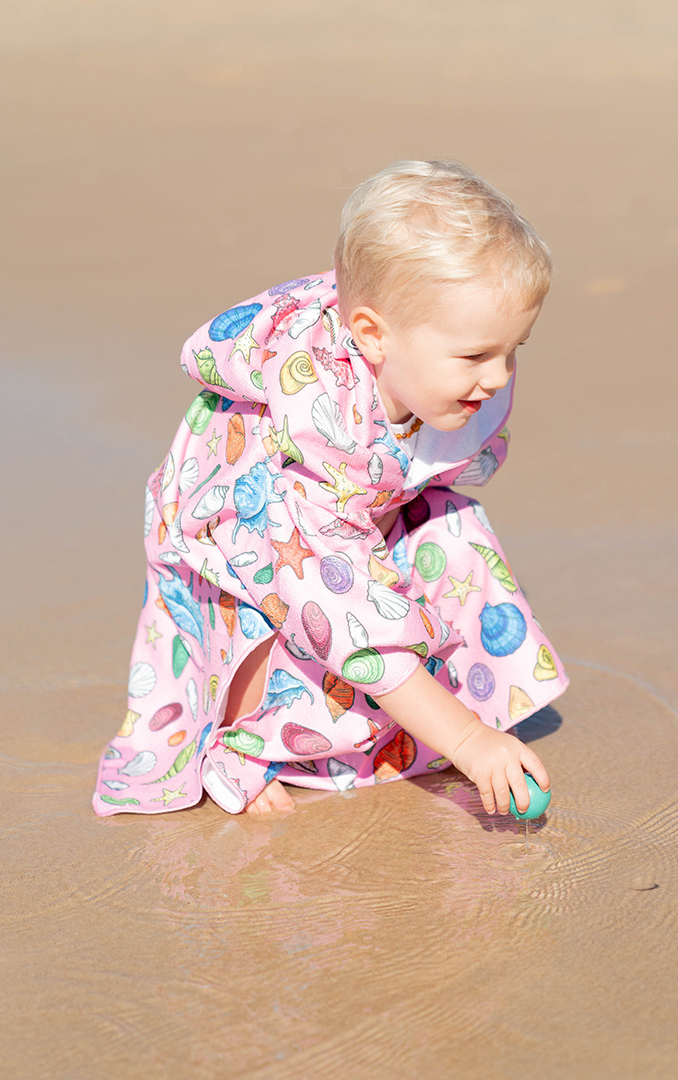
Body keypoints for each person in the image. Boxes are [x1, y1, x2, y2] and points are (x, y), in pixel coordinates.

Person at [93, 159, 569, 821]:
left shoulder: (427, 353)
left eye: (512, 349)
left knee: (449, 531)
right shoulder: (321, 437)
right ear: (372, 334)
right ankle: (244, 744)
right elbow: (345, 606)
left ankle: (450, 700)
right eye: (474, 357)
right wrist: (468, 742)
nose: (496, 377)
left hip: (357, 495)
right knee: (285, 608)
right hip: (239, 516)